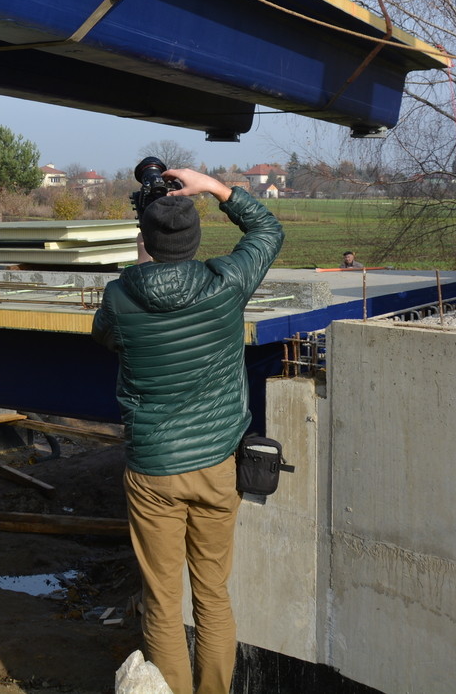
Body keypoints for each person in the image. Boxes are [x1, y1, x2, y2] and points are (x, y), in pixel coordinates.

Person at [91, 169, 284, 694]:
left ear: (146, 240)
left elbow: (105, 336)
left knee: (161, 600)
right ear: (195, 240)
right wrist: (216, 189)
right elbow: (268, 230)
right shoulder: (227, 284)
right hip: (218, 466)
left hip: (153, 470)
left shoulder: (119, 297)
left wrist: (141, 268)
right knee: (213, 595)